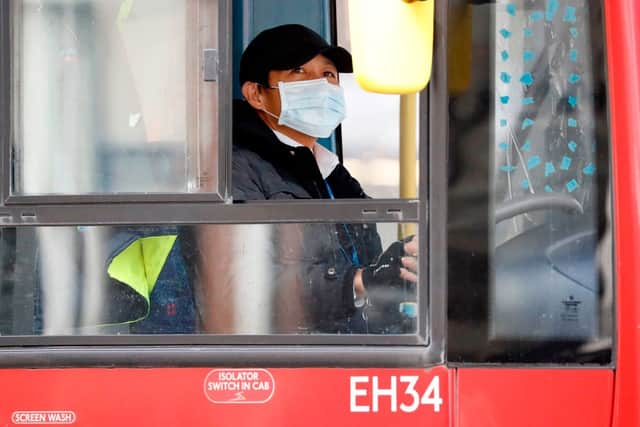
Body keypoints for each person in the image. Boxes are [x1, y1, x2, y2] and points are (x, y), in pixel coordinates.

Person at [232, 24, 418, 333]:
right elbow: (247, 287)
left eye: (328, 75)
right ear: (256, 94)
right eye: (299, 72)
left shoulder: (330, 173)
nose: (319, 84)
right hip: (289, 363)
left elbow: (360, 266)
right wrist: (359, 281)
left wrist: (396, 267)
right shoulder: (237, 169)